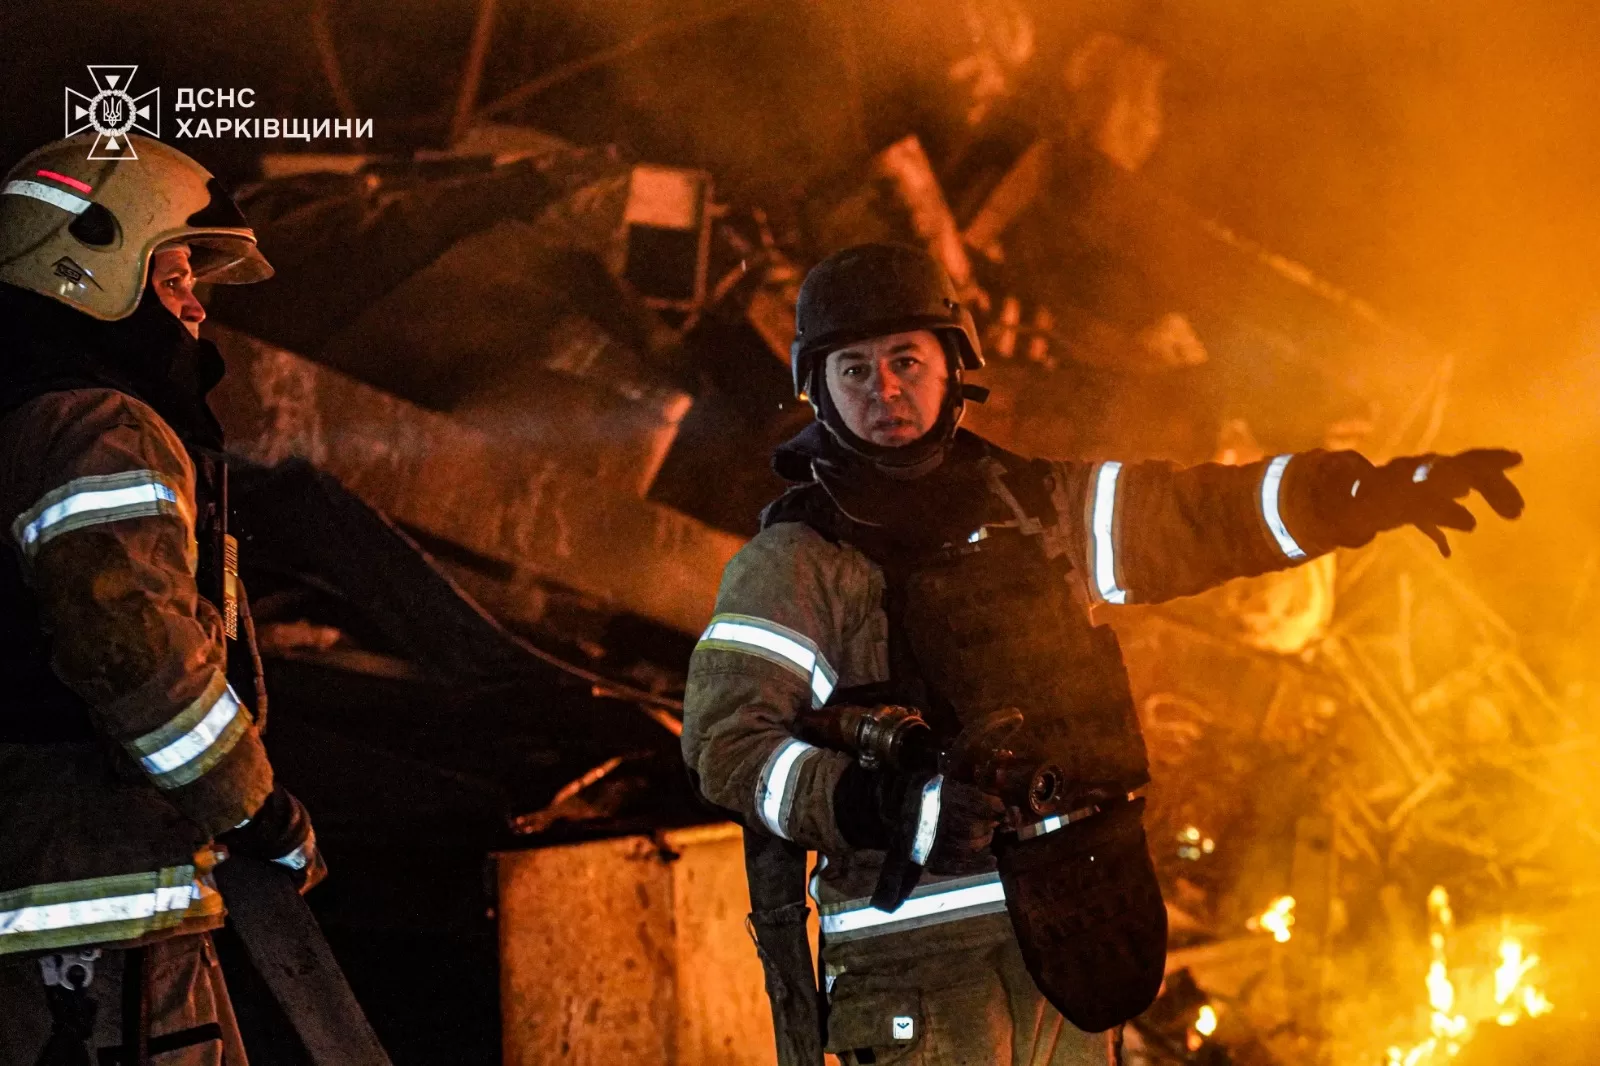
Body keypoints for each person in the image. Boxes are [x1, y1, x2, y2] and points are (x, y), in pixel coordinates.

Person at [682, 242, 1524, 1065]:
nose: (885, 390)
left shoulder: (1040, 512)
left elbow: (1197, 518)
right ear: (820, 391)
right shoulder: (795, 564)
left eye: (906, 360)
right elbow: (729, 749)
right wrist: (893, 807)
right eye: (854, 370)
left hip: (1073, 951)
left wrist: (1354, 495)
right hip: (922, 983)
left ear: (953, 365)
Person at [0, 134, 324, 1065]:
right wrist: (254, 809)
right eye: (172, 275)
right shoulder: (100, 427)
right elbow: (134, 646)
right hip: (93, 922)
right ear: (88, 268)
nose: (194, 305)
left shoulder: (26, 413)